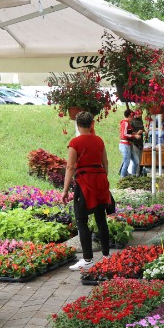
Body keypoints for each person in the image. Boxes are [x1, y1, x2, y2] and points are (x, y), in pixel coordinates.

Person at [62, 111, 111, 270]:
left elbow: (70, 167)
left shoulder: (75, 143)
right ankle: (106, 255)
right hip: (100, 181)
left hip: (84, 183)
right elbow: (105, 163)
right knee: (101, 218)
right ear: (92, 124)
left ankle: (88, 258)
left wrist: (65, 190)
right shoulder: (99, 141)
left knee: (81, 219)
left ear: (77, 124)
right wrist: (102, 179)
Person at [118, 109, 139, 178]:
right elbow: (124, 135)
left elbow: (128, 132)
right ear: (129, 116)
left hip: (129, 144)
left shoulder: (127, 123)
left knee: (136, 161)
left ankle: (133, 176)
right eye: (132, 116)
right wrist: (134, 136)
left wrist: (135, 133)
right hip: (125, 145)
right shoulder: (125, 123)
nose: (133, 118)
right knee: (126, 162)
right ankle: (122, 178)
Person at [129, 109, 145, 176]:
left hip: (140, 142)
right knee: (135, 161)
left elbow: (142, 128)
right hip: (134, 142)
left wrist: (145, 131)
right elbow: (129, 133)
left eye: (141, 114)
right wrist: (137, 133)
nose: (140, 115)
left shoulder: (140, 121)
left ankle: (137, 174)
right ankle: (133, 174)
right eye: (139, 114)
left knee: (139, 161)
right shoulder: (132, 121)